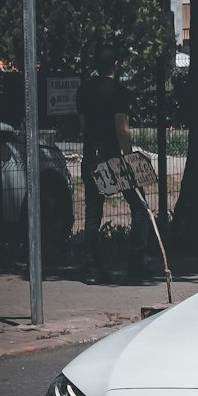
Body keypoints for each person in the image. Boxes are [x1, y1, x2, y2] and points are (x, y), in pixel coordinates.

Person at [77, 44, 153, 283]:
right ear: (117, 65)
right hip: (112, 159)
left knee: (92, 213)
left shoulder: (83, 91)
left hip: (90, 156)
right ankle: (136, 263)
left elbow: (82, 125)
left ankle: (92, 269)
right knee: (139, 207)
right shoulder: (119, 92)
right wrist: (129, 157)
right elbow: (121, 128)